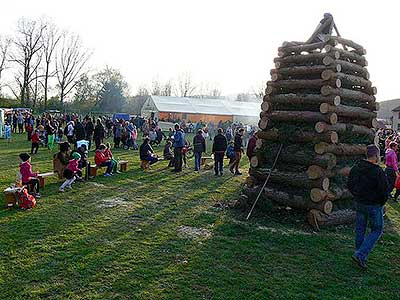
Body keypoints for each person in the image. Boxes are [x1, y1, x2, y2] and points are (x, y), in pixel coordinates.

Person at [348, 144, 388, 270]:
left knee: (360, 229)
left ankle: (360, 255)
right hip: (373, 205)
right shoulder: (377, 171)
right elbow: (384, 190)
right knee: (377, 229)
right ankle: (361, 254)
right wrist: (381, 203)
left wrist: (356, 195)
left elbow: (350, 184)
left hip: (360, 202)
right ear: (376, 156)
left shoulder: (356, 168)